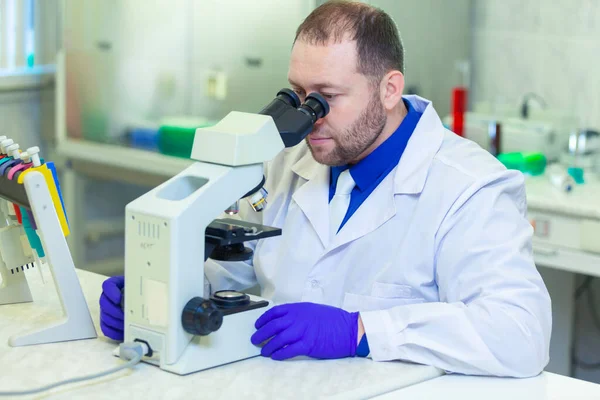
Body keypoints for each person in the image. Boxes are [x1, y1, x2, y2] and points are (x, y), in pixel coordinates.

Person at [99, 0, 551, 377]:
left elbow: (520, 333)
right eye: (298, 94)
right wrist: (156, 299)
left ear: (389, 89)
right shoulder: (285, 161)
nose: (307, 116)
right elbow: (233, 278)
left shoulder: (470, 186)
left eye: (325, 98)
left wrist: (361, 331)